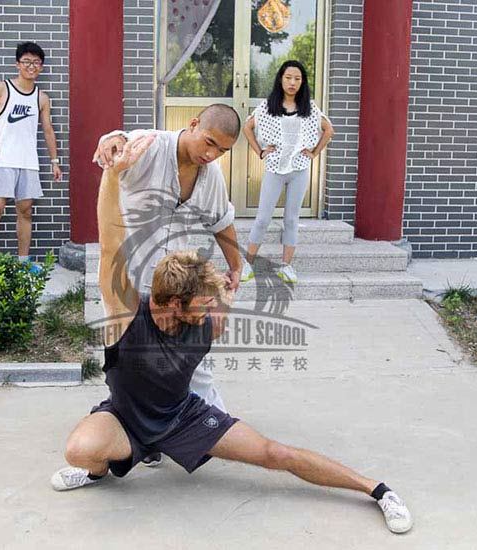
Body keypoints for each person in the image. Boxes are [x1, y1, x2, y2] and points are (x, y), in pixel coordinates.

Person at [50, 136, 414, 534]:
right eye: (203, 306)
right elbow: (110, 246)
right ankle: (100, 470)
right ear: (173, 304)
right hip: (125, 418)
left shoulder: (205, 318)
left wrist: (224, 286)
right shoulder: (124, 315)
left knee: (275, 453)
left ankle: (377, 491)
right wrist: (113, 174)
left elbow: (218, 277)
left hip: (180, 416)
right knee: (80, 450)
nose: (211, 313)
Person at [92, 104, 244, 466]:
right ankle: (138, 433)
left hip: (178, 286)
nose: (211, 154)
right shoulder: (151, 145)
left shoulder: (212, 177)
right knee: (134, 361)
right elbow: (115, 144)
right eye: (208, 143)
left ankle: (201, 426)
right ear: (192, 124)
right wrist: (109, 142)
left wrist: (237, 264)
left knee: (193, 361)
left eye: (221, 150)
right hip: (130, 280)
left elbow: (221, 218)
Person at [240, 60, 334, 284]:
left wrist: (313, 153)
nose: (292, 82)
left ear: (302, 82)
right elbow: (247, 127)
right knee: (263, 218)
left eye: (297, 79)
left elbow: (328, 130)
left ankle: (286, 267)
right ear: (281, 79)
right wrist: (261, 152)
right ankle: (247, 265)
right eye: (288, 77)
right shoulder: (267, 106)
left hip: (299, 170)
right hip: (274, 169)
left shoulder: (309, 108)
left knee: (291, 219)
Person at [0, 42, 62, 272]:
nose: (31, 66)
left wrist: (54, 161)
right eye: (26, 62)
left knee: (25, 211)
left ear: (41, 67)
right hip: (3, 161)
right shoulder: (2, 88)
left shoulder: (41, 98)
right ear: (17, 64)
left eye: (36, 63)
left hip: (28, 163)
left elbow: (48, 130)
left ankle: (24, 263)